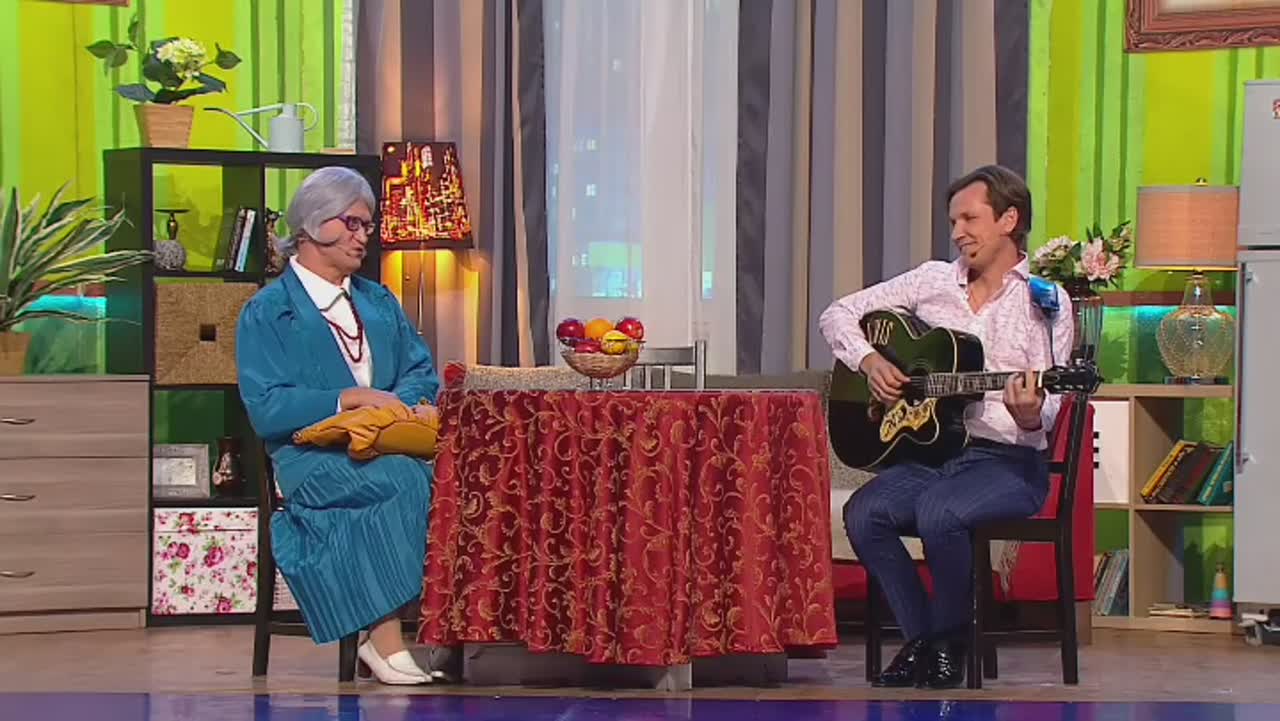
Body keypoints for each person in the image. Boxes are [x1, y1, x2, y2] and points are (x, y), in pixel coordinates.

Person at [818, 164, 1074, 689]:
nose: (958, 231)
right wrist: (871, 361)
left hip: (1009, 465)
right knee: (864, 512)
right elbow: (837, 313)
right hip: (937, 456)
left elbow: (1048, 409)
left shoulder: (1044, 300)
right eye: (953, 221)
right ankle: (926, 641)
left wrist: (1030, 411)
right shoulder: (932, 280)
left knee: (940, 511)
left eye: (969, 219)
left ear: (1009, 220)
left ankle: (948, 644)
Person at [237, 167, 443, 685]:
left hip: (389, 441)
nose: (362, 236)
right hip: (312, 457)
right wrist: (348, 398)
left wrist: (394, 408)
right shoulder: (268, 311)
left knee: (450, 480)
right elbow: (266, 406)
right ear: (311, 225)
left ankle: (450, 637)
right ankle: (384, 637)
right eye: (351, 222)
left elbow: (421, 372)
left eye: (367, 225)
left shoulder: (379, 301)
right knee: (402, 479)